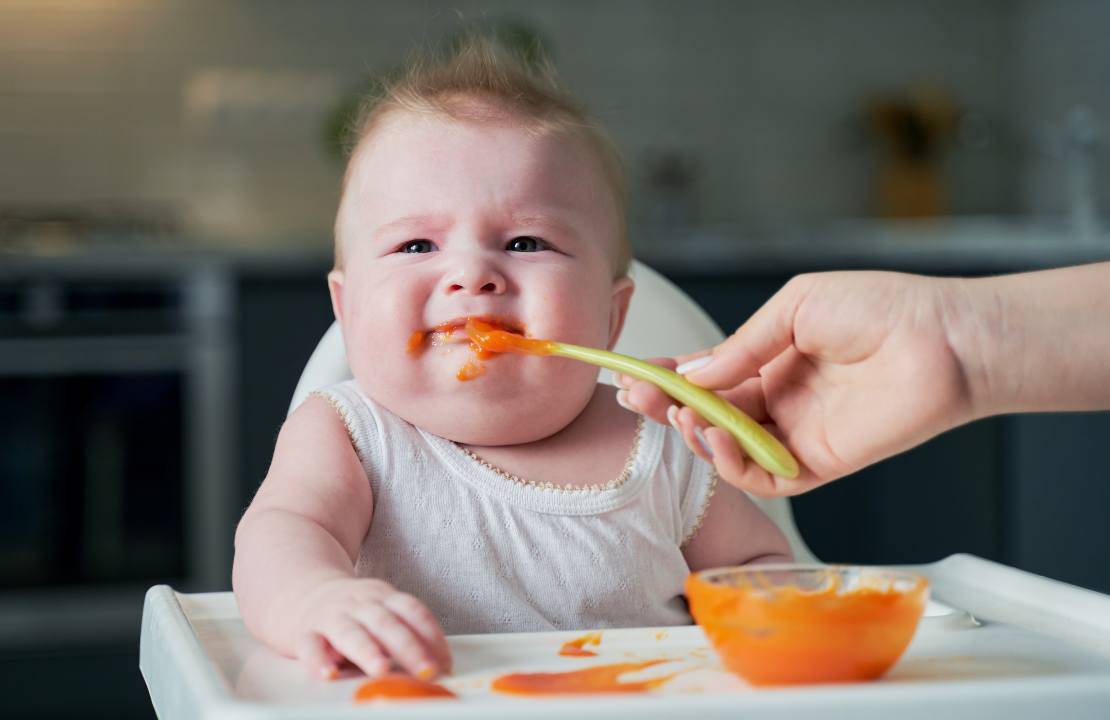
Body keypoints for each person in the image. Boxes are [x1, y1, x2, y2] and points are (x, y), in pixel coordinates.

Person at [231, 36, 791, 684]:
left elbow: (758, 569)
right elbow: (279, 537)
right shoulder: (351, 436)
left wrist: (775, 613)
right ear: (346, 306)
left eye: (526, 242)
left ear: (612, 317)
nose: (471, 275)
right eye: (417, 245)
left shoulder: (665, 447)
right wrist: (316, 600)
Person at [617, 262, 1110, 498]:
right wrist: (955, 347)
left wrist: (957, 346)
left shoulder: (660, 469)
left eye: (536, 245)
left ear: (614, 307)